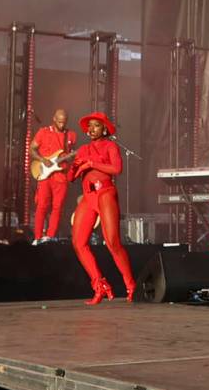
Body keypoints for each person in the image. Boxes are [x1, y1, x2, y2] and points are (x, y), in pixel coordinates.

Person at [69, 112, 135, 304]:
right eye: (89, 126)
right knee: (78, 243)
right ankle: (100, 285)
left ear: (104, 129)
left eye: (96, 126)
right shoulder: (82, 149)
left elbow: (116, 169)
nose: (91, 129)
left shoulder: (110, 146)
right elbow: (70, 178)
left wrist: (91, 163)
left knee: (112, 242)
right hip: (88, 197)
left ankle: (131, 285)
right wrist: (74, 167)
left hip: (105, 193)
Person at [30, 109, 77, 244]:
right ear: (54, 119)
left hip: (61, 175)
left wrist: (71, 157)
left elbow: (71, 153)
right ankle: (38, 237)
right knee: (42, 206)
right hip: (44, 174)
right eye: (60, 122)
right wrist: (42, 159)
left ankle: (49, 236)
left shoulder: (71, 135)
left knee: (58, 206)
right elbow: (32, 149)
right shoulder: (43, 132)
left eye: (64, 122)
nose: (62, 125)